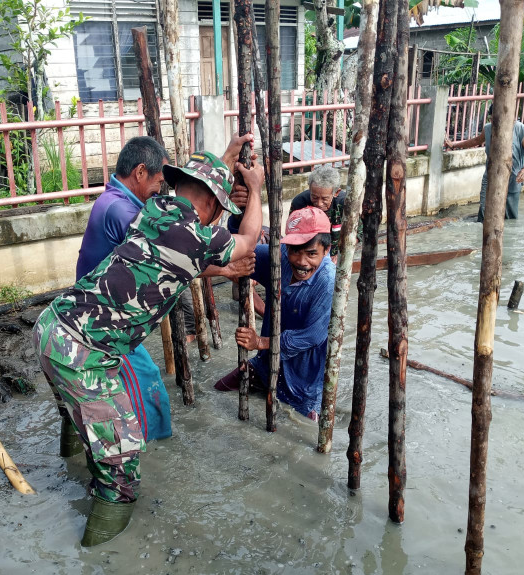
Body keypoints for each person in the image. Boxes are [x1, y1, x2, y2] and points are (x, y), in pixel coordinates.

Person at [33, 150, 264, 546]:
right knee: (122, 470)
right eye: (218, 210)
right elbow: (249, 239)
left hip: (52, 327)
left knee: (78, 415)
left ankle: (73, 466)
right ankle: (100, 563)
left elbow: (173, 260)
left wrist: (221, 265)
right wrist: (256, 189)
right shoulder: (197, 235)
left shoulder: (152, 210)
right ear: (210, 204)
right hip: (83, 354)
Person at [74, 135, 253, 443]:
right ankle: (158, 451)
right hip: (104, 325)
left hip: (91, 314)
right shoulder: (122, 210)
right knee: (150, 387)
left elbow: (192, 210)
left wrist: (224, 159)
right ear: (140, 172)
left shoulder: (127, 204)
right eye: (158, 181)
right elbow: (178, 251)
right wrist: (226, 268)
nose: (161, 191)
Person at [214, 206, 336, 422]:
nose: (301, 261)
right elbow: (238, 253)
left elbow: (313, 336)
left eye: (311, 253)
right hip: (267, 363)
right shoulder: (278, 257)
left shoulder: (327, 281)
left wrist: (260, 342)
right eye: (295, 251)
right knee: (219, 389)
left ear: (326, 251)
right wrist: (239, 212)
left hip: (303, 378)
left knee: (301, 429)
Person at [444, 105, 524, 222]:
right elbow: (476, 140)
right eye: (493, 119)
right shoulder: (488, 128)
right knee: (484, 210)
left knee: (509, 215)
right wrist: (454, 145)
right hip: (490, 175)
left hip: (513, 177)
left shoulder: (518, 128)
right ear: (491, 119)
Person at [288, 164, 347, 259]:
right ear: (310, 189)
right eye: (314, 197)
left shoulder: (345, 203)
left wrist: (340, 253)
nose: (319, 204)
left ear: (336, 193)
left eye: (325, 199)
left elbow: (358, 232)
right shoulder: (299, 202)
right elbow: (292, 233)